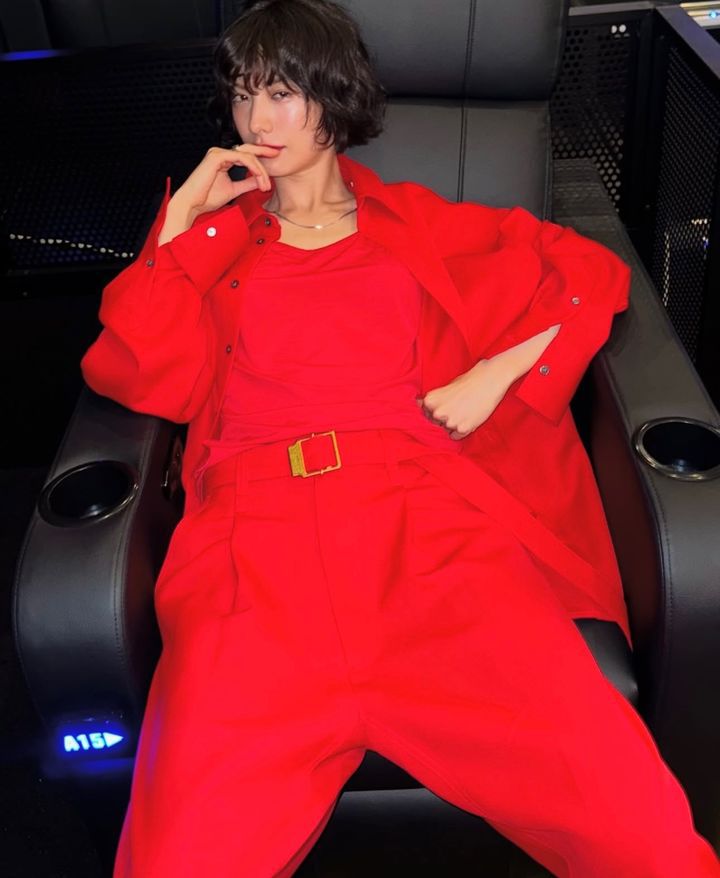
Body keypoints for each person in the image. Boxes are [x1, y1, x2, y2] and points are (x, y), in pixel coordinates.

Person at [79, 1, 720, 875]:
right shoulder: (218, 246)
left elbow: (588, 272)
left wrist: (497, 374)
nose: (258, 120)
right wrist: (183, 224)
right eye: (243, 94)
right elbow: (139, 372)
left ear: (333, 95)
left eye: (281, 93)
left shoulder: (420, 227)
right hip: (249, 561)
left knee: (646, 840)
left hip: (432, 538)